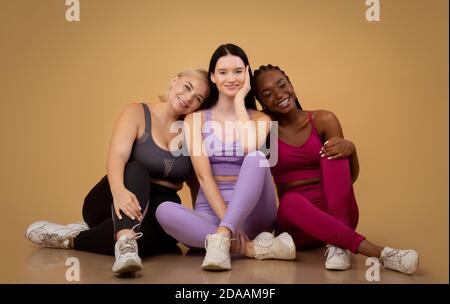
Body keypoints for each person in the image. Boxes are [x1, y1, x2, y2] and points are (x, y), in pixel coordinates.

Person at [25, 68, 211, 274]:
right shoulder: (137, 111)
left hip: (159, 208)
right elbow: (117, 155)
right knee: (136, 169)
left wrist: (199, 222)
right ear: (175, 80)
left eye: (197, 98)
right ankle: (123, 239)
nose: (188, 98)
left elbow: (197, 180)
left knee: (162, 240)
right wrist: (118, 190)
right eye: (187, 87)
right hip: (117, 196)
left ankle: (73, 238)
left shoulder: (191, 131)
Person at [251, 64, 419, 275]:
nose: (279, 94)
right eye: (267, 94)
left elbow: (347, 179)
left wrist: (352, 151)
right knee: (289, 201)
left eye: (282, 85)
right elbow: (258, 180)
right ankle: (382, 253)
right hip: (298, 224)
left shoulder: (323, 119)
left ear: (290, 84)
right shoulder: (265, 133)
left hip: (339, 212)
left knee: (335, 150)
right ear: (260, 102)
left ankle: (339, 245)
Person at [156, 44, 296, 271]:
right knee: (163, 210)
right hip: (211, 211)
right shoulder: (195, 119)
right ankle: (251, 248)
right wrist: (227, 224)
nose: (231, 78)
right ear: (213, 77)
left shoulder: (262, 118)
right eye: (223, 72)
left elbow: (250, 146)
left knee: (257, 157)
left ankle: (221, 240)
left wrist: (240, 101)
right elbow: (202, 176)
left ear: (246, 74)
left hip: (254, 211)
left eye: (238, 71)